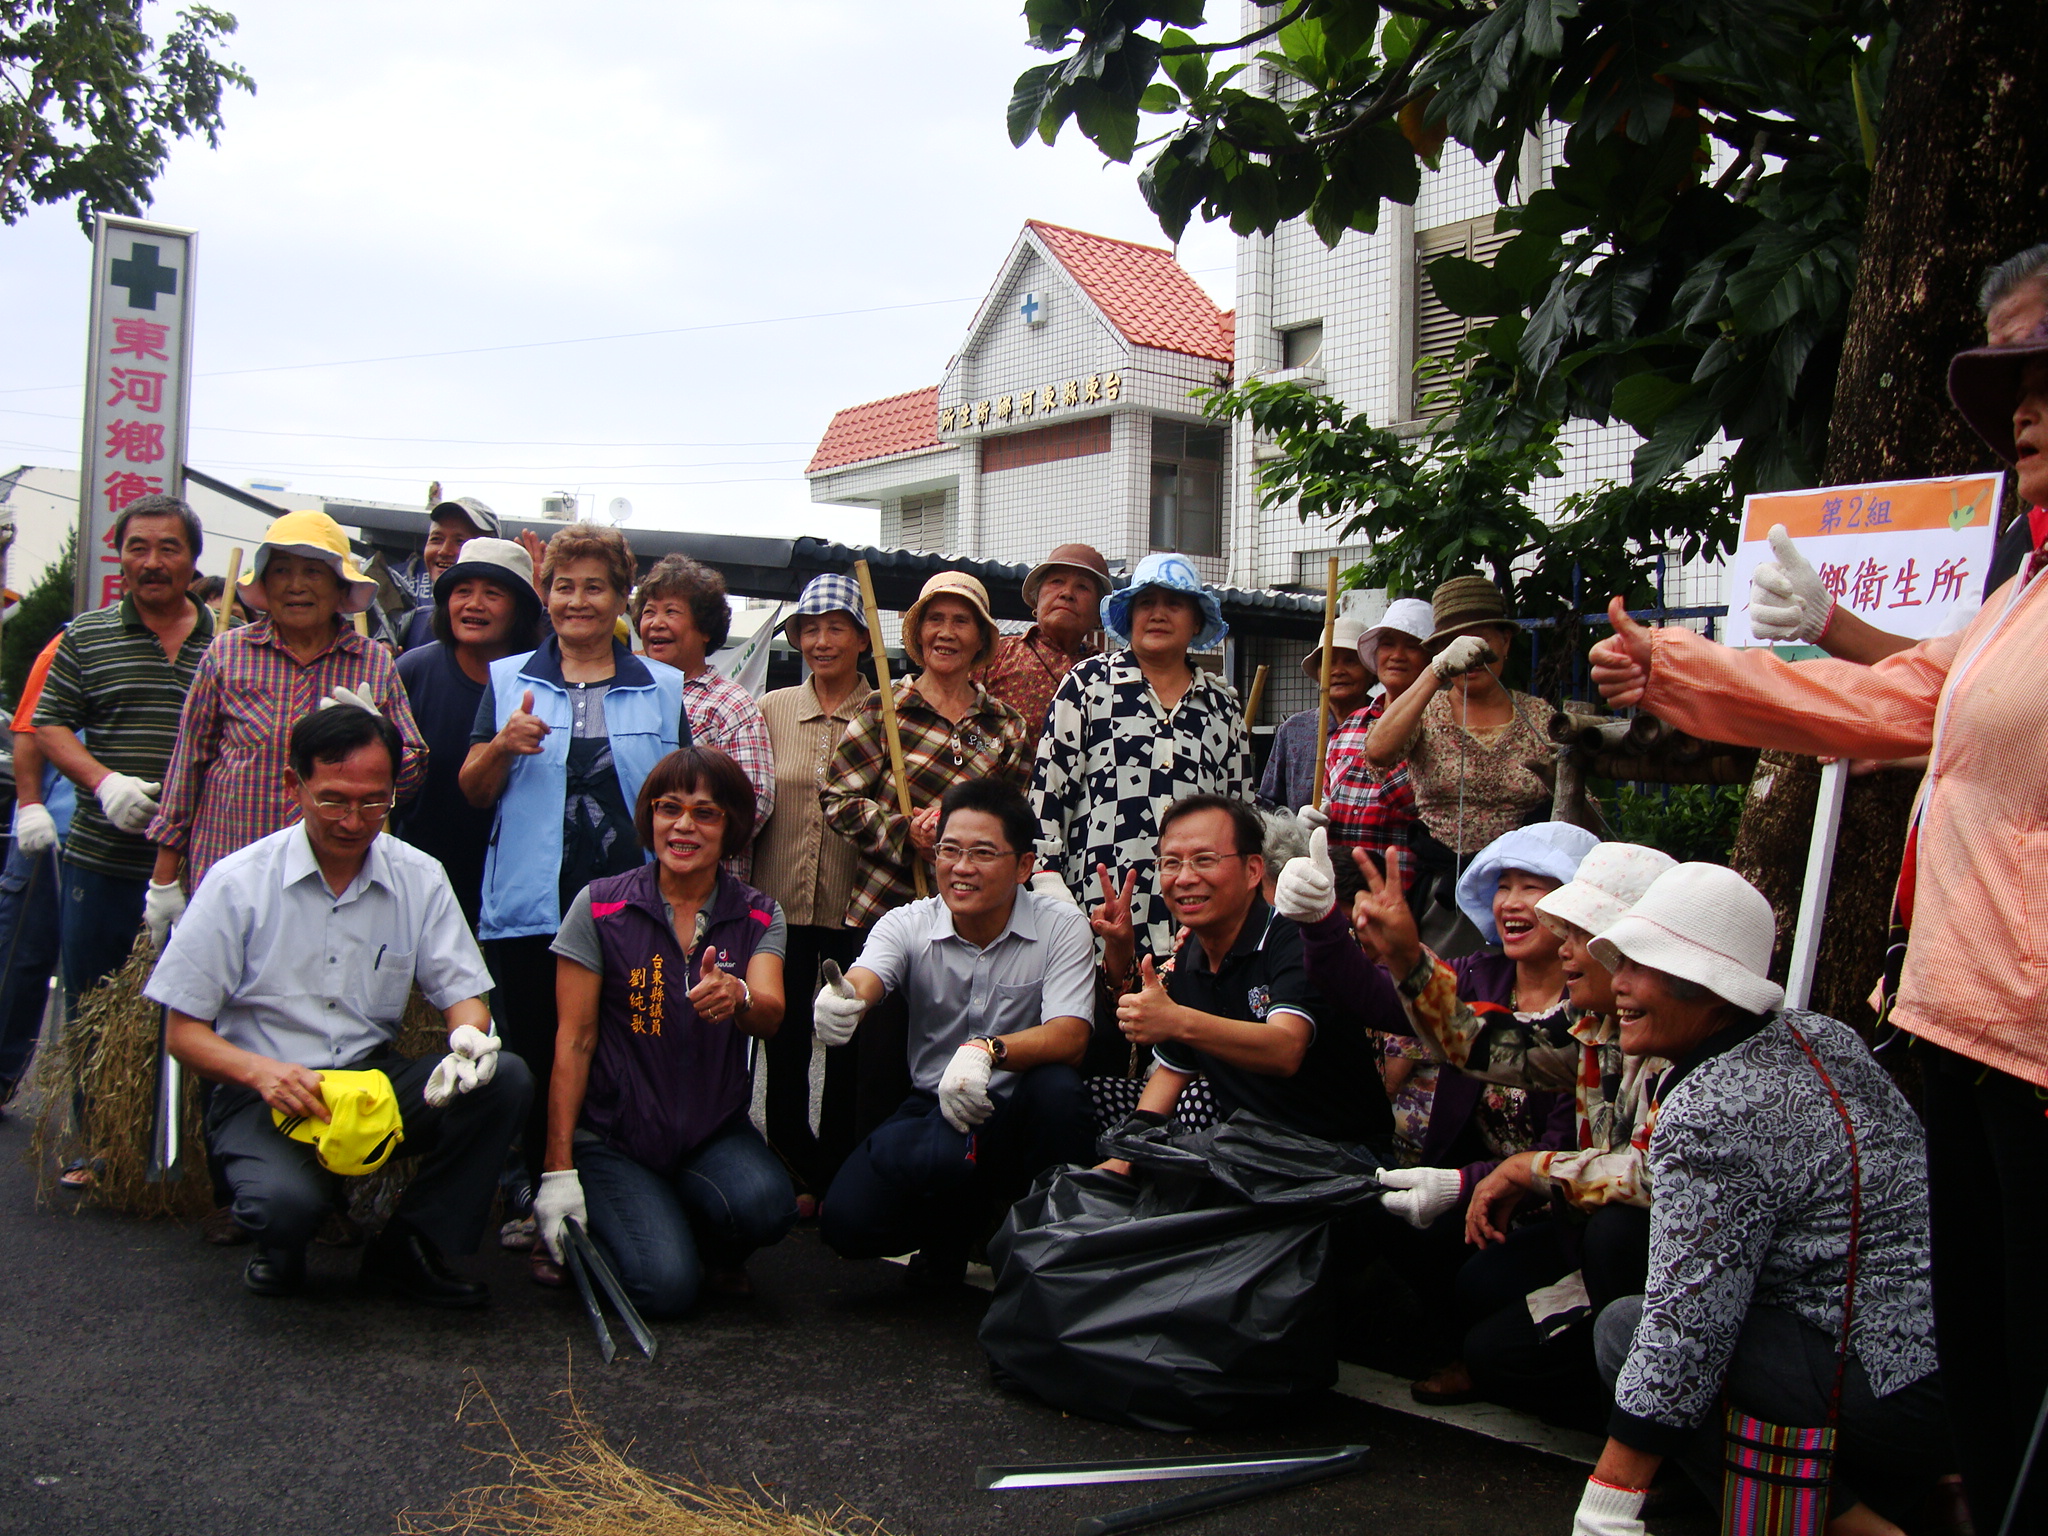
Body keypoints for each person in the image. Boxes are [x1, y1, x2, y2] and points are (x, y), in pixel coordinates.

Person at [1587, 313, 2048, 1531]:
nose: (2024, 416)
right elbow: (1901, 695)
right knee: (1994, 1358)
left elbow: (1682, 1333)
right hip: (1958, 1020)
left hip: (2030, 1043)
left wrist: (1611, 1490)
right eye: (2015, 391)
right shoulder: (2020, 595)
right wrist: (1683, 673)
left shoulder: (1735, 1099)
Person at [1566, 863, 1943, 1535]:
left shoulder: (1712, 1105)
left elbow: (1688, 1329)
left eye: (1642, 965)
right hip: (1951, 1369)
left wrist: (1607, 1502)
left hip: (1879, 1386)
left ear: (1707, 985)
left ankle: (1861, 1528)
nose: (1617, 983)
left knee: (1628, 1333)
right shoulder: (1820, 1034)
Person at [146, 706, 532, 1305]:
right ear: (292, 785)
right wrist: (263, 1074)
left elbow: (463, 992)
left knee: (503, 1078)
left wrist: (467, 1039)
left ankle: (409, 1243)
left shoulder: (417, 876)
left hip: (370, 1079)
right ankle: (282, 1242)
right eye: (333, 801)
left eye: (374, 803)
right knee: (285, 1208)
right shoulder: (238, 881)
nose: (354, 821)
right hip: (265, 1087)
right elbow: (182, 1032)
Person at [1292, 835, 1673, 1419]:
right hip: (1547, 1219)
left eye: (1543, 895)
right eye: (1505, 885)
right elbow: (1474, 1043)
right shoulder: (1585, 1025)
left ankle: (1643, 1419)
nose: (1518, 905)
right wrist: (1371, 943)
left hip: (1621, 1253)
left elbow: (1656, 1178)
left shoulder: (1704, 1057)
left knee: (1605, 1246)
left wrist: (1515, 1172)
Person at [458, 523, 689, 1272]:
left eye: (595, 586)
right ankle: (530, 1192)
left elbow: (681, 798)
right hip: (529, 901)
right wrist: (501, 746)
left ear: (621, 598)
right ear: (546, 597)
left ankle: (616, 1191)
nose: (577, 601)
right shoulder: (505, 682)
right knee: (530, 1046)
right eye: (563, 586)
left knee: (620, 1046)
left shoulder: (661, 685)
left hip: (630, 903)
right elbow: (471, 790)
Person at [534, 747, 797, 1315]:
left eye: (705, 813)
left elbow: (771, 1011)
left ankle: (688, 1232)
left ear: (732, 827)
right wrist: (557, 1169)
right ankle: (614, 1228)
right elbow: (573, 1042)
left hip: (711, 1133)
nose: (683, 825)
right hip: (616, 1139)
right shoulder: (600, 906)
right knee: (666, 1290)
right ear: (648, 817)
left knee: (768, 1206)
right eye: (668, 808)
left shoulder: (757, 913)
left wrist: (740, 995)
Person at [813, 778, 1094, 1286]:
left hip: (1018, 1111)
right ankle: (959, 1224)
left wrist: (988, 1051)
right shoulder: (908, 923)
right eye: (949, 850)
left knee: (1059, 1093)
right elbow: (867, 976)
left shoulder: (1061, 926)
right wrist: (844, 1000)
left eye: (983, 853)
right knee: (846, 1223)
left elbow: (1071, 1035)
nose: (961, 868)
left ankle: (1050, 1247)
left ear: (1024, 866)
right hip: (937, 1110)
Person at [1746, 243, 2048, 660]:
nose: (2020, 416)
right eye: (2016, 395)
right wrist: (1820, 619)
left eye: (2044, 383)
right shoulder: (2023, 546)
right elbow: (1941, 677)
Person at [147, 511, 427, 911]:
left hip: (333, 885)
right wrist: (163, 880)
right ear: (264, 582)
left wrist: (383, 736)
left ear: (338, 584)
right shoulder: (227, 654)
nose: (296, 586)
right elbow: (187, 765)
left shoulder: (372, 663)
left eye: (313, 572)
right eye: (281, 571)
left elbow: (413, 772)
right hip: (228, 871)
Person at [1098, 795, 1388, 1158]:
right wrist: (1123, 1159)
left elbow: (1285, 1049)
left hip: (1336, 1161)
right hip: (1251, 1155)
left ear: (1254, 870)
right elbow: (1172, 1072)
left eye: (1205, 860)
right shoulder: (1193, 954)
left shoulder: (1296, 938)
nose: (1185, 878)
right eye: (1171, 863)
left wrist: (1176, 1020)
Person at [35, 497, 218, 1001]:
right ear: (120, 557)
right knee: (91, 1011)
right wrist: (104, 781)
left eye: (168, 548)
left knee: (188, 1019)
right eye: (137, 548)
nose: (152, 563)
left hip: (199, 867)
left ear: (193, 560)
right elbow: (48, 723)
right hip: (100, 862)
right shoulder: (87, 636)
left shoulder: (229, 644)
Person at [1030, 553, 1253, 962]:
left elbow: (1239, 810)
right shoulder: (1087, 686)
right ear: (1129, 615)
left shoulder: (1223, 707)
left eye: (1174, 604)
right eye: (1146, 603)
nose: (1158, 615)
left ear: (1197, 621)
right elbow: (1049, 791)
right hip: (1095, 910)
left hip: (1197, 921)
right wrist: (1046, 881)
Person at [753, 574, 874, 1210]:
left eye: (836, 628)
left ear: (861, 637)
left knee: (848, 1043)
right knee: (786, 1042)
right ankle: (791, 1168)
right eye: (809, 629)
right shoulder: (770, 710)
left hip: (855, 910)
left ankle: (837, 1173)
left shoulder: (885, 711)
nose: (821, 641)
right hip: (779, 907)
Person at [820, 570, 1028, 931]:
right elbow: (838, 800)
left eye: (961, 621)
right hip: (883, 911)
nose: (946, 633)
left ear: (980, 639)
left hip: (972, 919)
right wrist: (904, 831)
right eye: (936, 620)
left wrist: (962, 836)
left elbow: (1016, 822)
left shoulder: (1003, 726)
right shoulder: (885, 709)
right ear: (919, 634)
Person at [1366, 577, 1555, 943]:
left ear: (1506, 642)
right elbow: (1378, 751)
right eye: (1457, 644)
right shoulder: (1426, 711)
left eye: (1482, 640)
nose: (1472, 654)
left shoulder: (1540, 717)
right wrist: (1433, 674)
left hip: (1525, 899)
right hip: (1444, 900)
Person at [393, 538, 544, 930]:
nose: (473, 605)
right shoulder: (411, 671)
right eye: (462, 592)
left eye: (492, 594)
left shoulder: (544, 682)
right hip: (417, 883)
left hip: (513, 889)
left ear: (521, 610)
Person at [632, 554, 774, 874]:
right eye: (649, 612)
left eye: (671, 612)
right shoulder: (628, 697)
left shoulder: (730, 704)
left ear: (705, 629)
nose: (656, 622)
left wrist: (687, 849)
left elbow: (755, 801)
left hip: (708, 887)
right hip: (631, 883)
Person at [0, 636, 75, 1109]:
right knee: (21, 960)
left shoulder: (205, 641)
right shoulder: (74, 641)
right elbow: (28, 729)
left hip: (138, 836)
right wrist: (29, 807)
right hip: (50, 828)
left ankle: (101, 1122)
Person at [1321, 597, 1434, 892]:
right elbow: (1326, 796)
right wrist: (1318, 817)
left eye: (1411, 645)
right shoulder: (1350, 726)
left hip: (1403, 892)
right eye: (1387, 644)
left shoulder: (1441, 725)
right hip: (1339, 891)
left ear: (1432, 659)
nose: (1397, 655)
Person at [975, 542, 1110, 750]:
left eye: (1083, 587)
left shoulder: (1110, 675)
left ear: (1098, 614)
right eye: (1056, 582)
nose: (1067, 593)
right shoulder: (994, 656)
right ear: (1036, 601)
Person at [1259, 614, 1372, 813]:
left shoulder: (1386, 724)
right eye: (1329, 662)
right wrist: (1293, 824)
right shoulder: (1294, 730)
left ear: (1370, 671)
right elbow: (1269, 804)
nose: (1337, 671)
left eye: (1350, 661)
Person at [397, 497, 499, 650]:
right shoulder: (410, 624)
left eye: (460, 542)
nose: (444, 551)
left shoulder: (506, 627)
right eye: (436, 539)